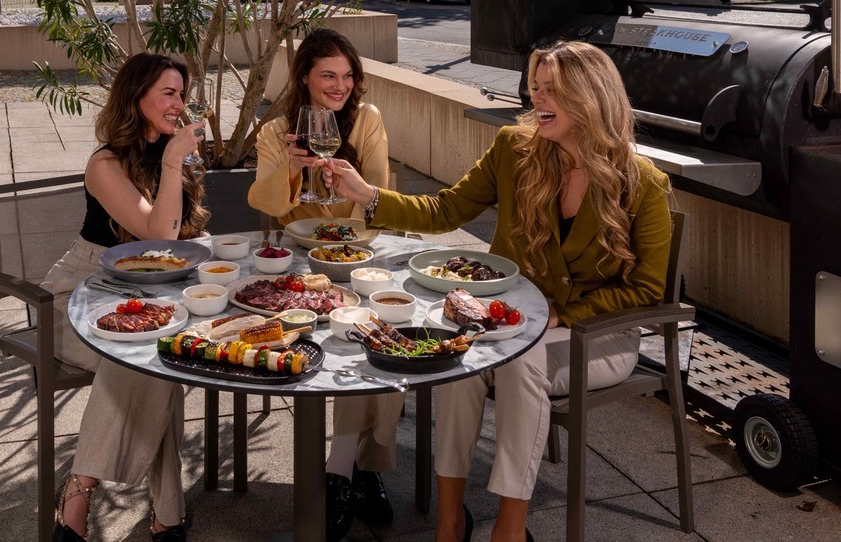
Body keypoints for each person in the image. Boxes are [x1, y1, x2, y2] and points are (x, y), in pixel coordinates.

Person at [321, 40, 672, 542]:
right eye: (535, 87)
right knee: (457, 355)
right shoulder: (515, 149)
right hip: (512, 326)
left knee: (520, 360)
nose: (537, 99)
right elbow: (446, 210)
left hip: (595, 336)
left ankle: (510, 527)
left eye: (552, 90)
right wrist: (368, 195)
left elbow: (647, 289)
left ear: (590, 97)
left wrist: (561, 315)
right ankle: (449, 521)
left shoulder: (642, 182)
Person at [42, 52, 209, 542]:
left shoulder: (168, 157)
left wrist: (175, 164)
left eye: (182, 94)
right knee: (151, 363)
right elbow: (159, 236)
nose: (179, 104)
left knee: (151, 360)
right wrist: (175, 160)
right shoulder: (104, 164)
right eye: (168, 93)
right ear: (136, 99)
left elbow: (178, 239)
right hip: (76, 299)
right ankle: (165, 514)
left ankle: (80, 489)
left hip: (140, 301)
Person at [247, 28, 402, 539]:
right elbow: (265, 202)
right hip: (299, 259)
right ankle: (352, 471)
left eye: (347, 75)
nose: (340, 85)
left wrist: (353, 197)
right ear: (305, 79)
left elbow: (379, 196)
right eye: (328, 75)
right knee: (343, 340)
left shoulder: (368, 119)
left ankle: (353, 470)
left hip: (359, 252)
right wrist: (292, 172)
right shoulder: (277, 132)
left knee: (381, 337)